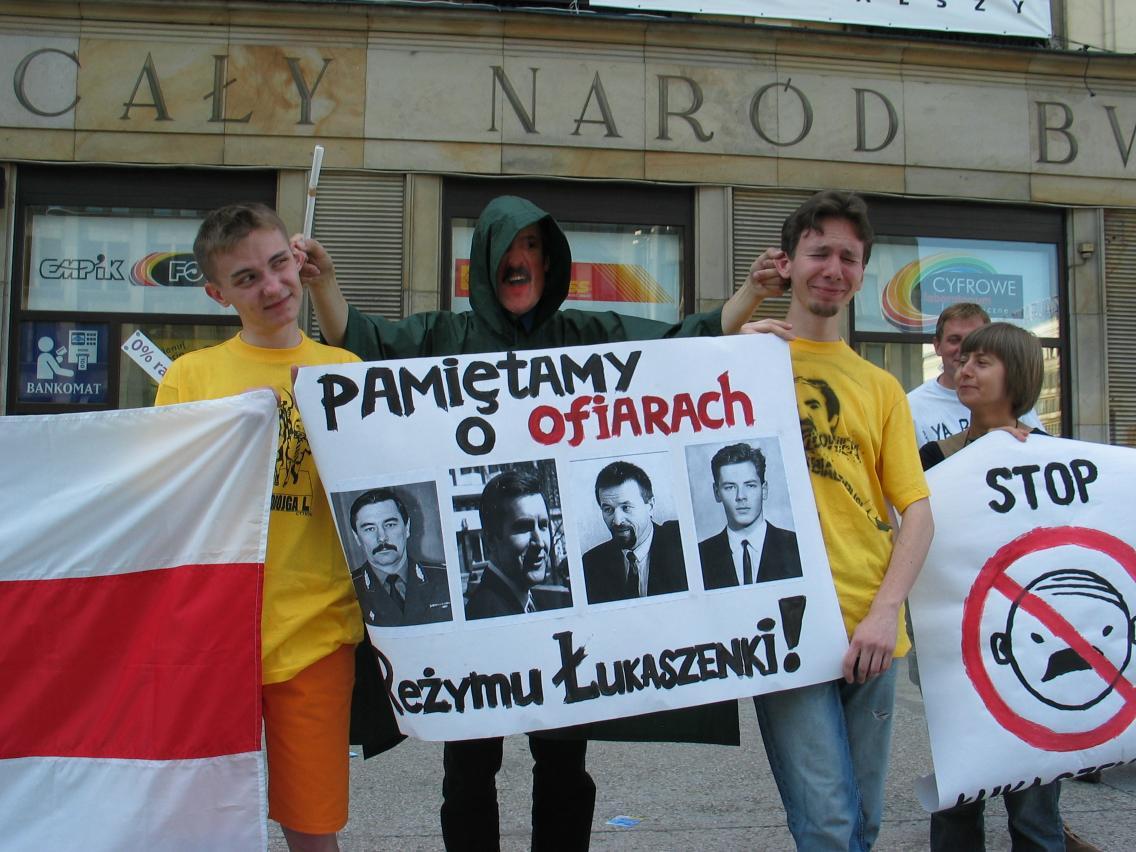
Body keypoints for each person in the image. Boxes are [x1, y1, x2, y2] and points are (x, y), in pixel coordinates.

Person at [296, 194, 750, 850]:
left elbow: (679, 346)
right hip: (472, 630)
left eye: (536, 248)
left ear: (551, 263)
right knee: (469, 768)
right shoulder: (442, 337)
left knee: (565, 762)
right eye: (511, 248)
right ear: (484, 263)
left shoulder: (583, 337)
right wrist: (325, 285)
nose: (523, 259)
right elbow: (359, 344)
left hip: (563, 624)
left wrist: (747, 300)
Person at [155, 203, 366, 852]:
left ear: (298, 261)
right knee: (207, 818)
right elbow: (162, 502)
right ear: (218, 294)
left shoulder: (347, 372)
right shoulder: (191, 376)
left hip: (317, 631)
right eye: (246, 278)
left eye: (279, 265)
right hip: (213, 633)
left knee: (313, 821)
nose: (272, 287)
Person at [733, 190, 934, 851]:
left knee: (863, 825)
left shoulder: (880, 387)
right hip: (781, 626)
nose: (834, 268)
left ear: (861, 272)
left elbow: (918, 512)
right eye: (820, 252)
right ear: (786, 264)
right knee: (827, 825)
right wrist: (728, 336)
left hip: (870, 625)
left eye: (850, 256)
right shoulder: (738, 359)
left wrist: (887, 611)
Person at [917, 321, 1075, 852]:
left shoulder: (1053, 459)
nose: (964, 370)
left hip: (1031, 653)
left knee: (1035, 810)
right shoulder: (932, 459)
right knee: (957, 807)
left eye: (982, 362)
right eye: (964, 359)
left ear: (1019, 376)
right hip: (956, 652)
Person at [907, 302, 1042, 447]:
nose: (963, 349)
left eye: (981, 361)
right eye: (954, 340)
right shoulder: (910, 407)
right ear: (937, 345)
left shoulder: (1030, 425)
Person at [465, 469, 567, 618]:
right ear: (491, 540)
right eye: (523, 527)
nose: (539, 542)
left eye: (543, 525)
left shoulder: (525, 599)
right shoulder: (487, 614)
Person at [698, 442, 802, 589]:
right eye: (730, 487)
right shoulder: (701, 556)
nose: (741, 496)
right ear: (717, 493)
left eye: (750, 485)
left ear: (764, 490)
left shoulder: (796, 546)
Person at [582, 460, 688, 604]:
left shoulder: (683, 546)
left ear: (650, 506)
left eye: (626, 507)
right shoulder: (590, 565)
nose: (617, 521)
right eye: (608, 509)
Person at [349, 487, 451, 626]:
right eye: (370, 529)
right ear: (357, 538)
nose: (382, 538)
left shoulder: (445, 578)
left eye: (390, 525)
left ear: (407, 528)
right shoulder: (347, 590)